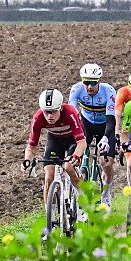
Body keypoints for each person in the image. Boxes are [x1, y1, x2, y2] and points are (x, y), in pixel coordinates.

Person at [24, 89, 87, 227]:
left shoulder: (70, 113)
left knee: (69, 167)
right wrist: (27, 160)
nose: (50, 116)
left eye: (53, 111)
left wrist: (76, 156)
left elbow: (82, 142)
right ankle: (50, 219)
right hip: (55, 140)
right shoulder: (38, 117)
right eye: (47, 112)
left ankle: (83, 202)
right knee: (48, 177)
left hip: (73, 139)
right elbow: (32, 145)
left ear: (60, 108)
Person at [68, 63, 117, 205]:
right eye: (86, 83)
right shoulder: (76, 89)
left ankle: (106, 194)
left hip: (105, 126)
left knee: (106, 163)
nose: (90, 87)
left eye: (93, 83)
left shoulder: (108, 91)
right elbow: (72, 113)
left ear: (99, 81)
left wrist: (106, 138)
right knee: (75, 153)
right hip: (86, 124)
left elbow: (111, 119)